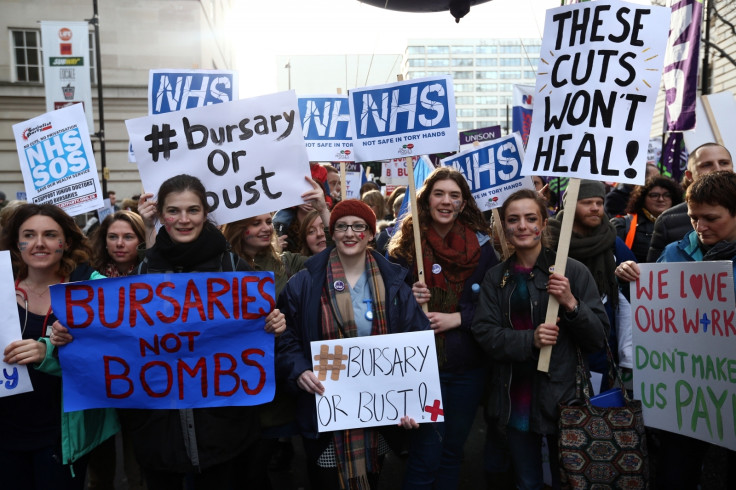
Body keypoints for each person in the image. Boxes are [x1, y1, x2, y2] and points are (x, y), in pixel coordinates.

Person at [54, 175, 287, 489]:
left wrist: (274, 324)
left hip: (224, 430)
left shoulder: (233, 268)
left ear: (205, 214)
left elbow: (261, 333)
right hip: (157, 430)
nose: (183, 219)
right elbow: (116, 338)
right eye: (174, 211)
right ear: (161, 215)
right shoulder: (143, 272)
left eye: (192, 210)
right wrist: (73, 334)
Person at [276, 199, 429, 489]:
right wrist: (299, 370)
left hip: (378, 417)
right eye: (342, 226)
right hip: (325, 416)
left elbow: (414, 343)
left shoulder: (395, 283)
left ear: (371, 234)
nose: (350, 233)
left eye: (359, 226)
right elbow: (285, 339)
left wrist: (413, 403)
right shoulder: (303, 283)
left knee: (371, 479)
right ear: (331, 232)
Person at [471, 189, 609, 490]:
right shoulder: (497, 278)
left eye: (530, 218)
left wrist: (571, 303)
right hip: (515, 399)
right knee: (528, 482)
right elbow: (484, 333)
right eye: (513, 219)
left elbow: (598, 337)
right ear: (504, 227)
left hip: (564, 398)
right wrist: (529, 340)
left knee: (570, 479)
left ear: (543, 224)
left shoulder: (572, 272)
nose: (522, 226)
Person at [387, 167, 499, 489]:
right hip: (419, 369)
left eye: (454, 195)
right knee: (424, 453)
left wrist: (460, 318)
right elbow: (383, 304)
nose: (446, 201)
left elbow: (496, 307)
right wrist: (407, 296)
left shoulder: (484, 249)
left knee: (451, 452)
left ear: (463, 204)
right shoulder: (404, 246)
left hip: (467, 370)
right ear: (427, 199)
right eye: (439, 193)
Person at [1, 203, 119, 490]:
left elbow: (120, 344)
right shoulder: (2, 285)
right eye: (29, 235)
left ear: (64, 242)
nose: (39, 243)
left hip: (63, 435)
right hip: (6, 432)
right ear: (17, 243)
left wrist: (52, 351)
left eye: (50, 235)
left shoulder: (90, 288)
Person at [546, 180, 635, 378]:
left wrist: (630, 272)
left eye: (599, 202)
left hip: (601, 347)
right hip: (555, 343)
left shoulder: (612, 242)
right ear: (569, 205)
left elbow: (633, 294)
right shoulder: (550, 239)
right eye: (587, 202)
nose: (595, 208)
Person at [86, 210, 148, 490]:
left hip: (143, 381)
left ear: (141, 240)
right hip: (101, 382)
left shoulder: (155, 275)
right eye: (113, 237)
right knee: (100, 460)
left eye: (128, 237)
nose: (120, 243)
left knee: (140, 457)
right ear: (104, 241)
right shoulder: (87, 277)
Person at [647, 143, 733, 261]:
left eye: (724, 163)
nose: (718, 169)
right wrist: (631, 272)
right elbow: (655, 273)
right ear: (689, 175)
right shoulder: (668, 224)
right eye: (706, 165)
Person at [611, 176, 683, 263]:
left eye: (667, 195)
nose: (661, 199)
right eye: (654, 195)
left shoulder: (686, 223)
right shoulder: (622, 224)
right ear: (642, 198)